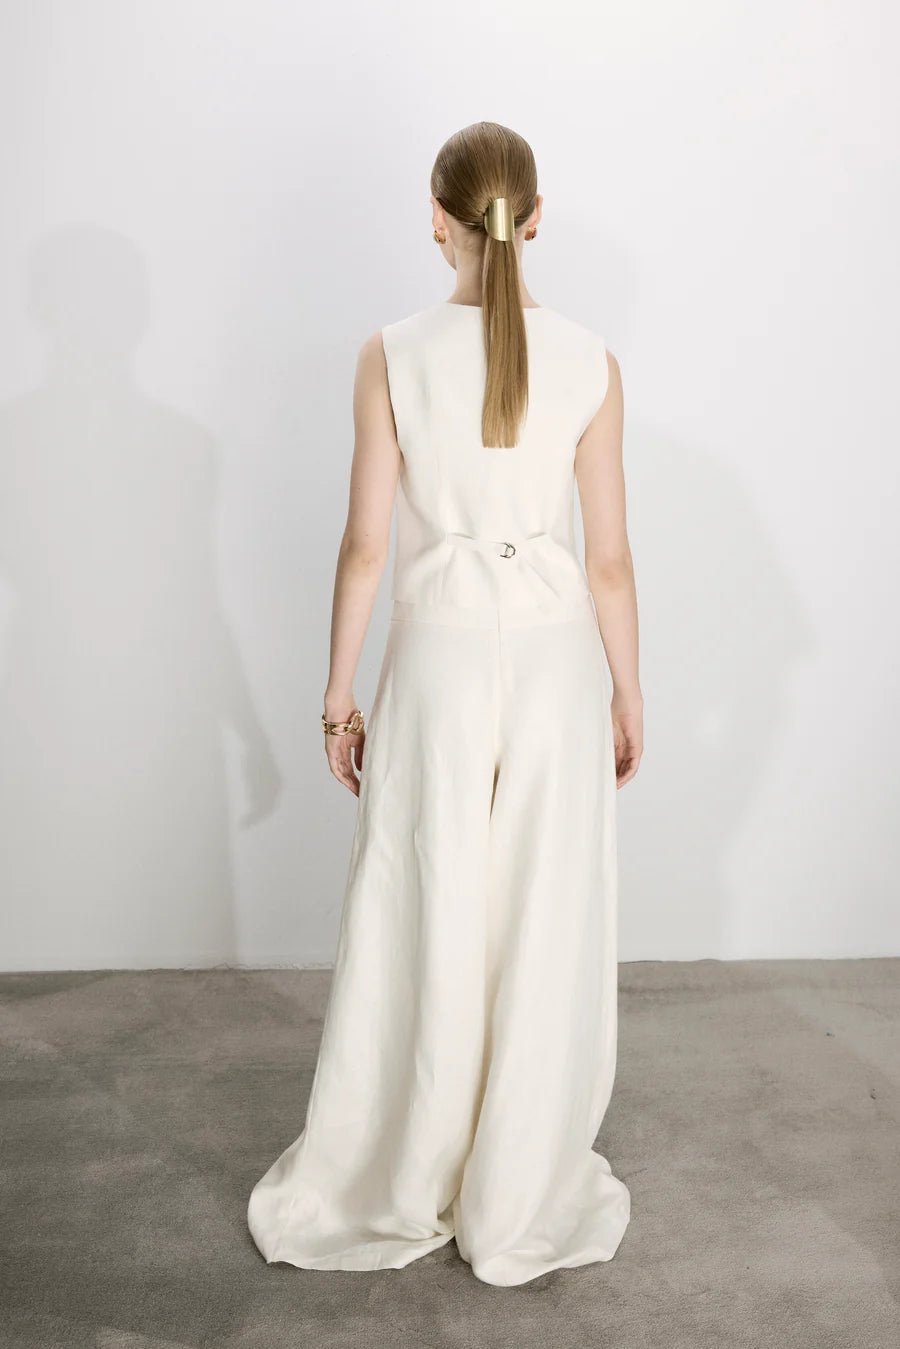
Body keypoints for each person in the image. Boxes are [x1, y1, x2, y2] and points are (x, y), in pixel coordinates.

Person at [247, 120, 643, 1288]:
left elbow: (367, 547)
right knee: (541, 915)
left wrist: (337, 696)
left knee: (424, 903)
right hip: (559, 663)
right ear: (536, 219)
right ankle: (515, 1184)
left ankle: (410, 1160)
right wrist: (628, 689)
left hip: (437, 663)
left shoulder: (390, 355)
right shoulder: (592, 361)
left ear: (437, 220)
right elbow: (609, 560)